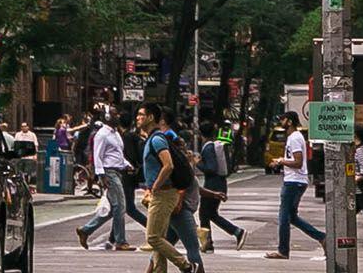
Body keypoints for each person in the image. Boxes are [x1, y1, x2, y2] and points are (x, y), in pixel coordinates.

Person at [140, 106, 201, 273]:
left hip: (164, 194)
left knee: (152, 238)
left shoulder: (156, 140)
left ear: (151, 117)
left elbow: (168, 166)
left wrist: (154, 186)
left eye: (141, 114)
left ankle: (186, 265)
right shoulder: (152, 139)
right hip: (163, 193)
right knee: (160, 238)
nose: (138, 118)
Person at [77, 107, 145, 251]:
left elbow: (117, 154)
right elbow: (98, 156)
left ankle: (86, 230)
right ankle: (120, 241)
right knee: (121, 206)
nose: (118, 116)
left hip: (118, 171)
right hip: (109, 173)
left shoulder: (115, 133)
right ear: (107, 116)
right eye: (115, 114)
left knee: (114, 209)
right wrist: (101, 176)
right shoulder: (102, 134)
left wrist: (127, 165)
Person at [263, 112, 325, 260]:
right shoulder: (293, 137)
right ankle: (322, 238)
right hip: (295, 181)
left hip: (294, 182)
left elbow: (297, 162)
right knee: (292, 217)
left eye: (283, 119)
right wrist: (281, 161)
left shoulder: (295, 138)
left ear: (289, 122)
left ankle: (283, 250)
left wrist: (281, 161)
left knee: (284, 216)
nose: (281, 122)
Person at [196, 120, 246, 251]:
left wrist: (198, 163)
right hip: (219, 183)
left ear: (200, 134)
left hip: (213, 184)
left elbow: (211, 168)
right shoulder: (213, 145)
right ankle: (210, 242)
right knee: (210, 213)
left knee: (204, 213)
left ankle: (209, 242)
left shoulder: (208, 147)